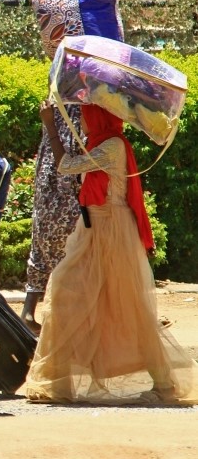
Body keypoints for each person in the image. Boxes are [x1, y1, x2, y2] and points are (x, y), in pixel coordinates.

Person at [25, 102, 198, 404]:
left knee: (129, 308)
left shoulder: (113, 146)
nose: (84, 122)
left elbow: (66, 165)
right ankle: (57, 382)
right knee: (68, 295)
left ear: (100, 117)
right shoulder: (98, 143)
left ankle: (165, 384)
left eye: (88, 116)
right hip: (94, 229)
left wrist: (51, 125)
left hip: (112, 231)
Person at [20, 106, 83, 335]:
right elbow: (66, 162)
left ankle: (29, 311)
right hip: (64, 195)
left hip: (45, 193)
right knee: (67, 259)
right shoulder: (74, 114)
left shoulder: (53, 109)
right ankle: (61, 326)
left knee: (39, 249)